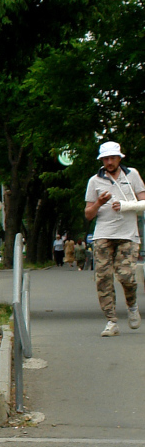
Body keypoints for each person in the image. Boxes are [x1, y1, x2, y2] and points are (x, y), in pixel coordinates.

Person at [85, 141, 145, 336]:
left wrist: (127, 206)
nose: (109, 162)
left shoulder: (132, 175)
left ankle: (132, 305)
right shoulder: (94, 181)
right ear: (101, 160)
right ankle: (111, 321)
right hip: (103, 234)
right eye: (106, 159)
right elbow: (88, 214)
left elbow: (143, 201)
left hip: (128, 234)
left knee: (126, 275)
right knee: (103, 278)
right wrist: (99, 203)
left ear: (119, 158)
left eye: (112, 158)